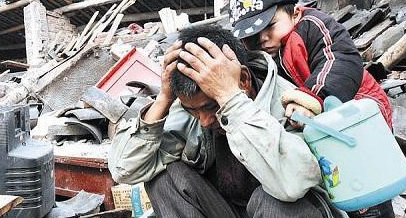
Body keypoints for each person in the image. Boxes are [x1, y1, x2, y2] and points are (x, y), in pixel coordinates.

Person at [108, 24, 334, 217]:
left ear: (244, 80)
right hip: (228, 209)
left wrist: (231, 100)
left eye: (212, 107)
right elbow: (125, 171)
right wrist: (164, 99)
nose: (205, 121)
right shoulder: (189, 109)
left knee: (271, 201)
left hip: (286, 210)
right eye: (194, 111)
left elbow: (292, 185)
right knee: (164, 179)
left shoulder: (287, 103)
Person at [229, 0, 392, 130]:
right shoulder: (252, 57)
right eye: (251, 35)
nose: (262, 38)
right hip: (318, 123)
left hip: (361, 108)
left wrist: (311, 98)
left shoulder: (313, 26)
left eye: (270, 26)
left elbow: (338, 58)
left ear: (295, 14)